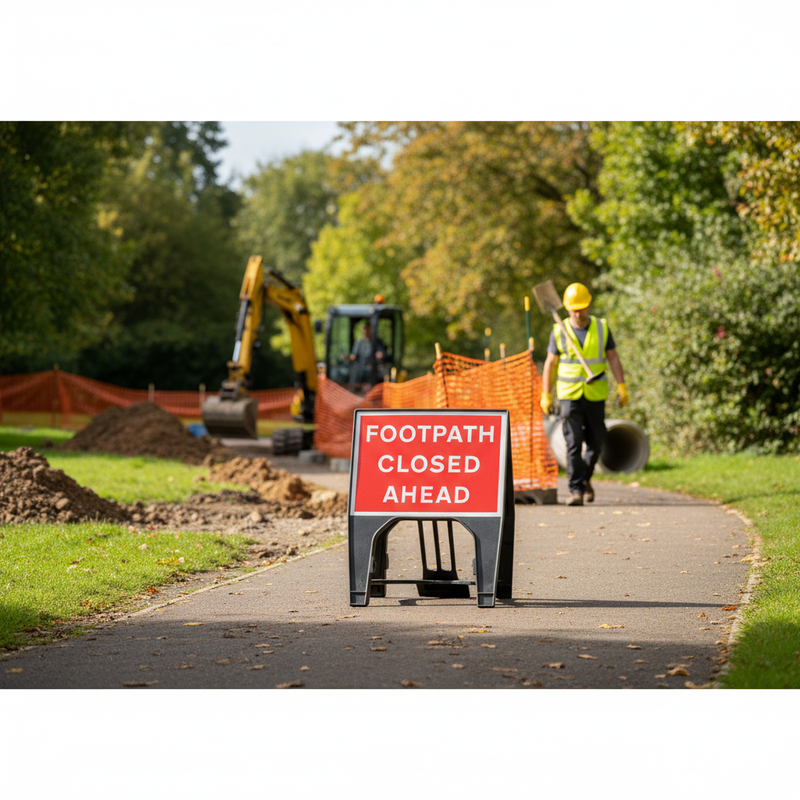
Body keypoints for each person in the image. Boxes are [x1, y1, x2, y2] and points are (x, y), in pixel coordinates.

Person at [540, 283, 629, 506]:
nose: (577, 313)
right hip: (569, 395)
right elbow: (550, 363)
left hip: (595, 393)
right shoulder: (559, 330)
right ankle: (576, 491)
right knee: (573, 443)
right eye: (573, 309)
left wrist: (622, 385)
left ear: (588, 305)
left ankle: (585, 478)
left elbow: (613, 357)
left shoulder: (601, 327)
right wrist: (546, 394)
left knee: (596, 442)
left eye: (581, 308)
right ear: (567, 308)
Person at [349, 321, 387, 390]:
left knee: (377, 370)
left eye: (367, 330)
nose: (365, 332)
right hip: (360, 366)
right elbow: (354, 355)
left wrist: (380, 355)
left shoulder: (377, 342)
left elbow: (381, 353)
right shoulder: (359, 343)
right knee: (353, 370)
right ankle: (353, 389)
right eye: (364, 330)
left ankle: (372, 389)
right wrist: (349, 357)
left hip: (373, 367)